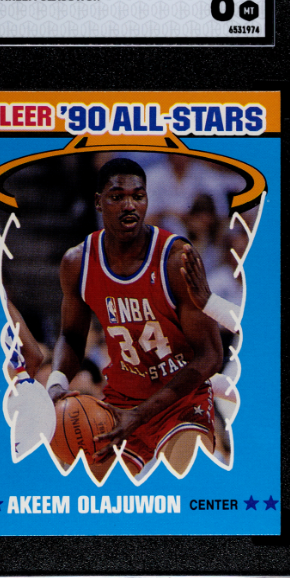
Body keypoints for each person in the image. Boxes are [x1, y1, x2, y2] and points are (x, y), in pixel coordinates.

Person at [46, 158, 224, 479]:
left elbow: (211, 355)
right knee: (93, 493)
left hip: (181, 400)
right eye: (117, 196)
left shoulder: (175, 259)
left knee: (184, 482)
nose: (129, 205)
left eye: (138, 196)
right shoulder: (77, 262)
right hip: (121, 403)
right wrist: (57, 383)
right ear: (98, 202)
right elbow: (71, 336)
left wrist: (144, 413)